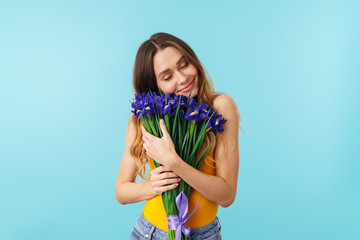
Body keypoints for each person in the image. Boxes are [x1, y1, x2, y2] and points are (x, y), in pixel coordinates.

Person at [115, 32, 241, 240]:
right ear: (154, 86)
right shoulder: (144, 120)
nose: (183, 78)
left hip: (203, 235)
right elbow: (121, 192)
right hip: (149, 233)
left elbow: (227, 196)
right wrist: (153, 186)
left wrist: (173, 162)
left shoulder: (220, 107)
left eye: (184, 65)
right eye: (167, 77)